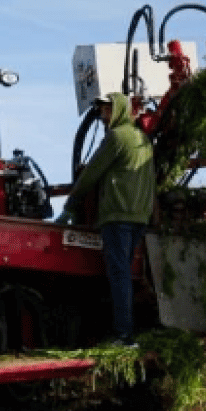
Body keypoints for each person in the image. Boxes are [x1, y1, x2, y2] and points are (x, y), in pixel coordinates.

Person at [55, 92, 155, 347]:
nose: (102, 115)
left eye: (106, 110)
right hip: (139, 217)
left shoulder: (117, 137)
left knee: (118, 274)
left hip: (117, 215)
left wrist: (70, 205)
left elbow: (91, 174)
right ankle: (129, 330)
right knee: (125, 273)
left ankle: (123, 335)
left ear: (118, 110)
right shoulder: (142, 139)